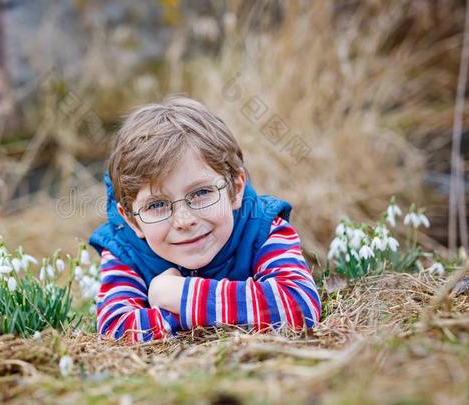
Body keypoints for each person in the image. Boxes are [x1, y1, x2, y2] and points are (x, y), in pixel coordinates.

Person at [88, 96, 321, 343]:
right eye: (156, 205)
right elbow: (115, 331)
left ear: (236, 188)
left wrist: (178, 296)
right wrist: (219, 312)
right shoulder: (126, 249)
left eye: (200, 193)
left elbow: (300, 305)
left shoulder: (261, 227)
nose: (184, 221)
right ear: (132, 221)